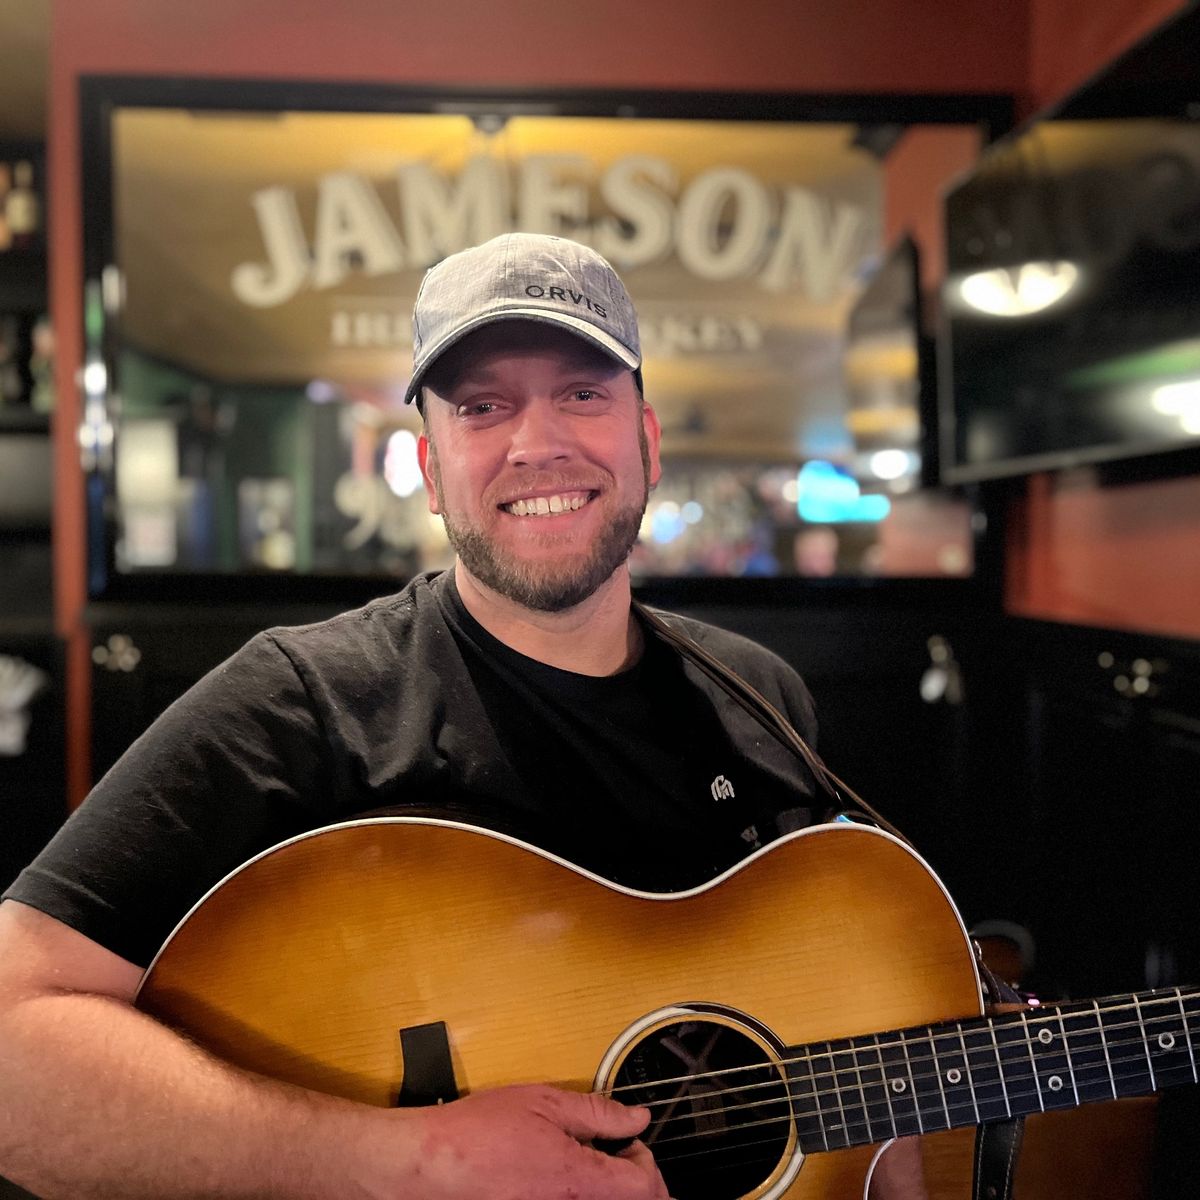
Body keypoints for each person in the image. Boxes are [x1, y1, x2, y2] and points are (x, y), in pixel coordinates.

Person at [0, 233, 927, 1199]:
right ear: (432, 472)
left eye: (582, 394)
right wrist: (405, 1160)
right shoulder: (298, 705)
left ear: (645, 442)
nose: (538, 443)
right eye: (483, 407)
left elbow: (847, 1066)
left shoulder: (761, 699)